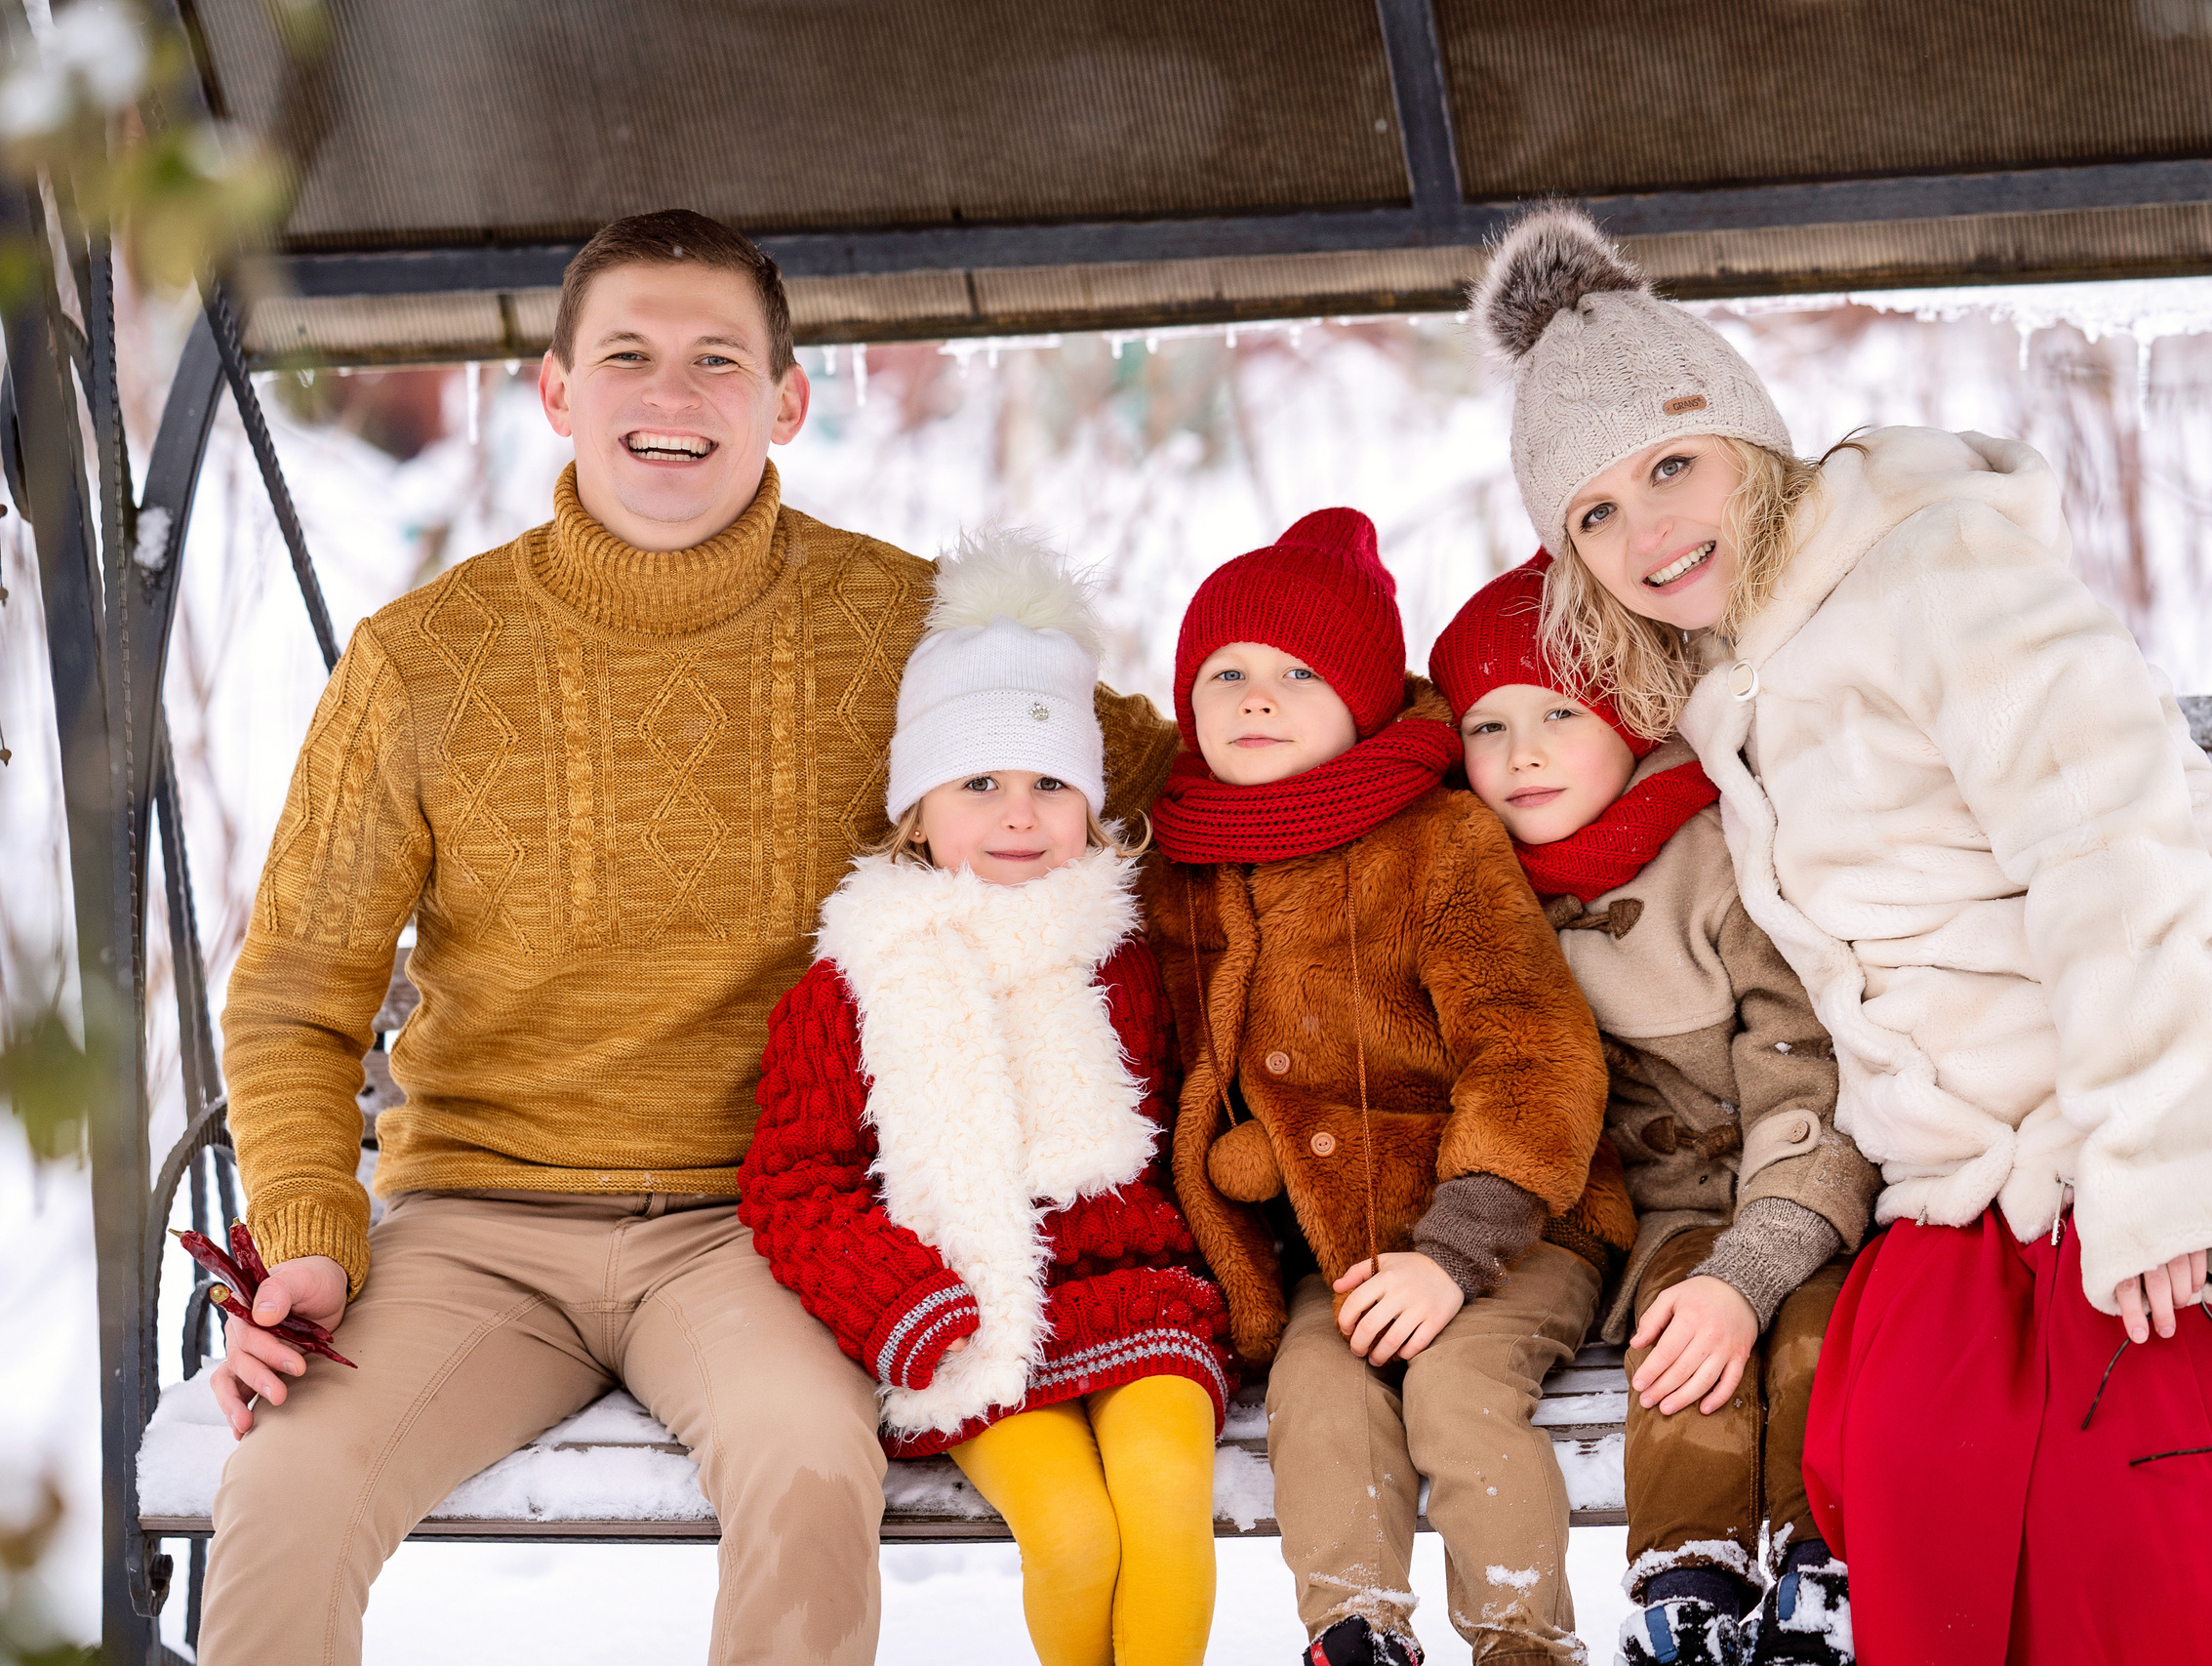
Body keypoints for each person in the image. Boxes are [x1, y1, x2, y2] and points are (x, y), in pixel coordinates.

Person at [1468, 202, 2212, 1665]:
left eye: (1672, 464)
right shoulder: (1741, 679)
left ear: (1751, 442)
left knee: (2163, 1530)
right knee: (1895, 1447)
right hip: (1990, 1175)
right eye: (1594, 513)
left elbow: (2116, 847)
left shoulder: (1940, 570)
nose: (1648, 531)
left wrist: (2163, 1165)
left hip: (2186, 1104)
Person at [200, 208, 1175, 1666]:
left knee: (811, 1470)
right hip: (479, 1222)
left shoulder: (907, 626)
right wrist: (309, 1233)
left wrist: (1424, 735)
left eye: (718, 359)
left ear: (786, 398)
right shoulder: (420, 662)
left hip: (763, 1223)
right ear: (556, 391)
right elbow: (294, 993)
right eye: (629, 357)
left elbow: (1184, 770)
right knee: (283, 1483)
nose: (672, 396)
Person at [1139, 508, 1634, 1666]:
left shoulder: (1437, 841)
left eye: (1299, 674)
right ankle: (1354, 1632)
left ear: (1363, 700)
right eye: (1227, 673)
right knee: (1317, 1389)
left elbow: (1533, 1048)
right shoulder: (1183, 862)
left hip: (1513, 1228)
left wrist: (1455, 1252)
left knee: (1457, 1389)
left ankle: (1521, 1637)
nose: (1257, 699)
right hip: (1340, 1249)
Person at [739, 531, 1234, 1666]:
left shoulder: (1124, 958)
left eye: (1051, 785)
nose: (1020, 817)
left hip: (1136, 1288)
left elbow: (1200, 1117)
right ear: (917, 812)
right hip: (971, 1311)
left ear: (1095, 810)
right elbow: (792, 1182)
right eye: (980, 785)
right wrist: (900, 1304)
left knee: (1162, 1506)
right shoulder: (853, 982)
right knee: (1070, 1537)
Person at [1430, 556, 1879, 1666]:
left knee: (1816, 1331)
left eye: (1556, 713)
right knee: (1683, 1346)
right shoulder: (1472, 881)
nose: (1521, 752)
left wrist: (1763, 1250)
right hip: (1665, 1220)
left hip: (1806, 1185)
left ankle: (1823, 1573)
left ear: (1630, 718)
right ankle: (1686, 1586)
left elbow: (1801, 1058)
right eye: (1485, 727)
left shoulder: (1718, 854)